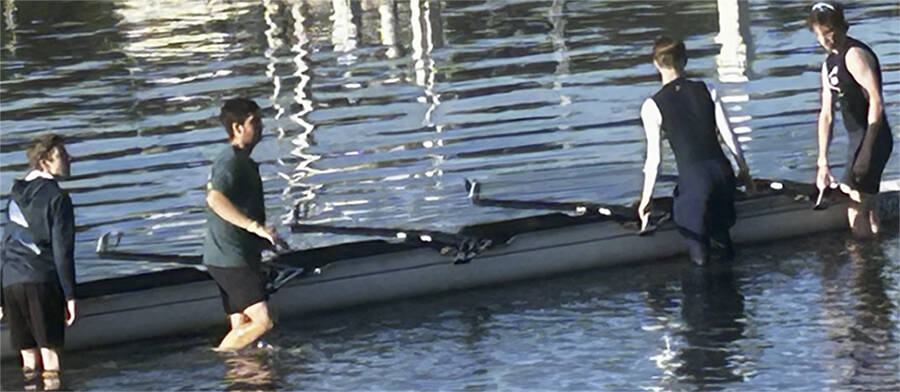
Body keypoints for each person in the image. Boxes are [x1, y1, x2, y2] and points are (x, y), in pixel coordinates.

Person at [638, 36, 753, 266]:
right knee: (724, 245)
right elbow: (730, 137)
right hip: (723, 176)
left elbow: (655, 162)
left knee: (700, 260)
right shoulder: (707, 89)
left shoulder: (652, 106)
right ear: (685, 60)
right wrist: (744, 171)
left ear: (656, 64)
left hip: (695, 181)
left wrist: (646, 200)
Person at [204, 98, 286, 351]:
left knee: (243, 326)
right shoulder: (231, 161)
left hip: (233, 255)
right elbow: (215, 199)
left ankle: (241, 371)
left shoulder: (242, 161)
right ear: (238, 128)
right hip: (231, 258)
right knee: (263, 321)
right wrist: (254, 227)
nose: (261, 127)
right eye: (255, 122)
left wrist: (264, 239)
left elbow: (240, 208)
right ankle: (219, 358)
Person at [808, 2, 894, 238]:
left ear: (842, 27)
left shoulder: (855, 55)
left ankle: (862, 258)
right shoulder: (828, 65)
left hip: (873, 137)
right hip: (856, 139)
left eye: (830, 32)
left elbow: (876, 100)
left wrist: (866, 151)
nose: (827, 40)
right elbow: (826, 114)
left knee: (856, 205)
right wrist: (822, 162)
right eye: (820, 35)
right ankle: (876, 249)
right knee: (868, 203)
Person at [0, 134, 77, 389]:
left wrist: (0, 296)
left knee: (29, 359)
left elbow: (5, 245)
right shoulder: (58, 198)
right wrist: (70, 295)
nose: (70, 159)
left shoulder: (15, 195)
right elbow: (62, 251)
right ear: (44, 162)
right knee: (50, 357)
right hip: (41, 282)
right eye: (62, 155)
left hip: (12, 283)